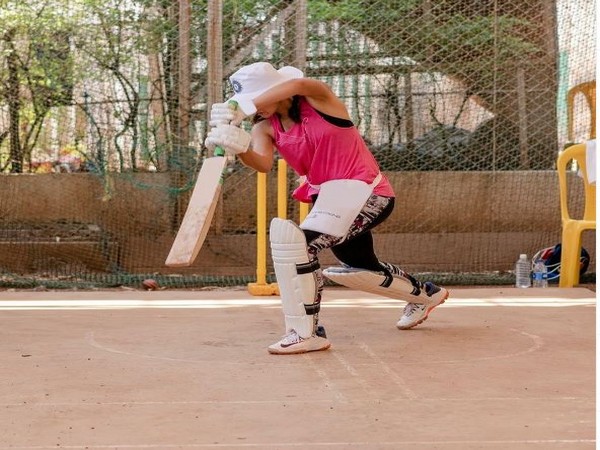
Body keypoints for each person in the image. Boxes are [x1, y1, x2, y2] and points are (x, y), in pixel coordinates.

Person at [206, 62, 449, 355]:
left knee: (299, 246)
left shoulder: (319, 99)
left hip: (367, 192)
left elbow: (300, 85)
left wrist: (240, 105)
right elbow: (263, 164)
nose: (255, 107)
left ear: (276, 90)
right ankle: (426, 295)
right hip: (329, 200)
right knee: (362, 267)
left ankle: (306, 332)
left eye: (258, 98)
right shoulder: (265, 125)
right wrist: (239, 148)